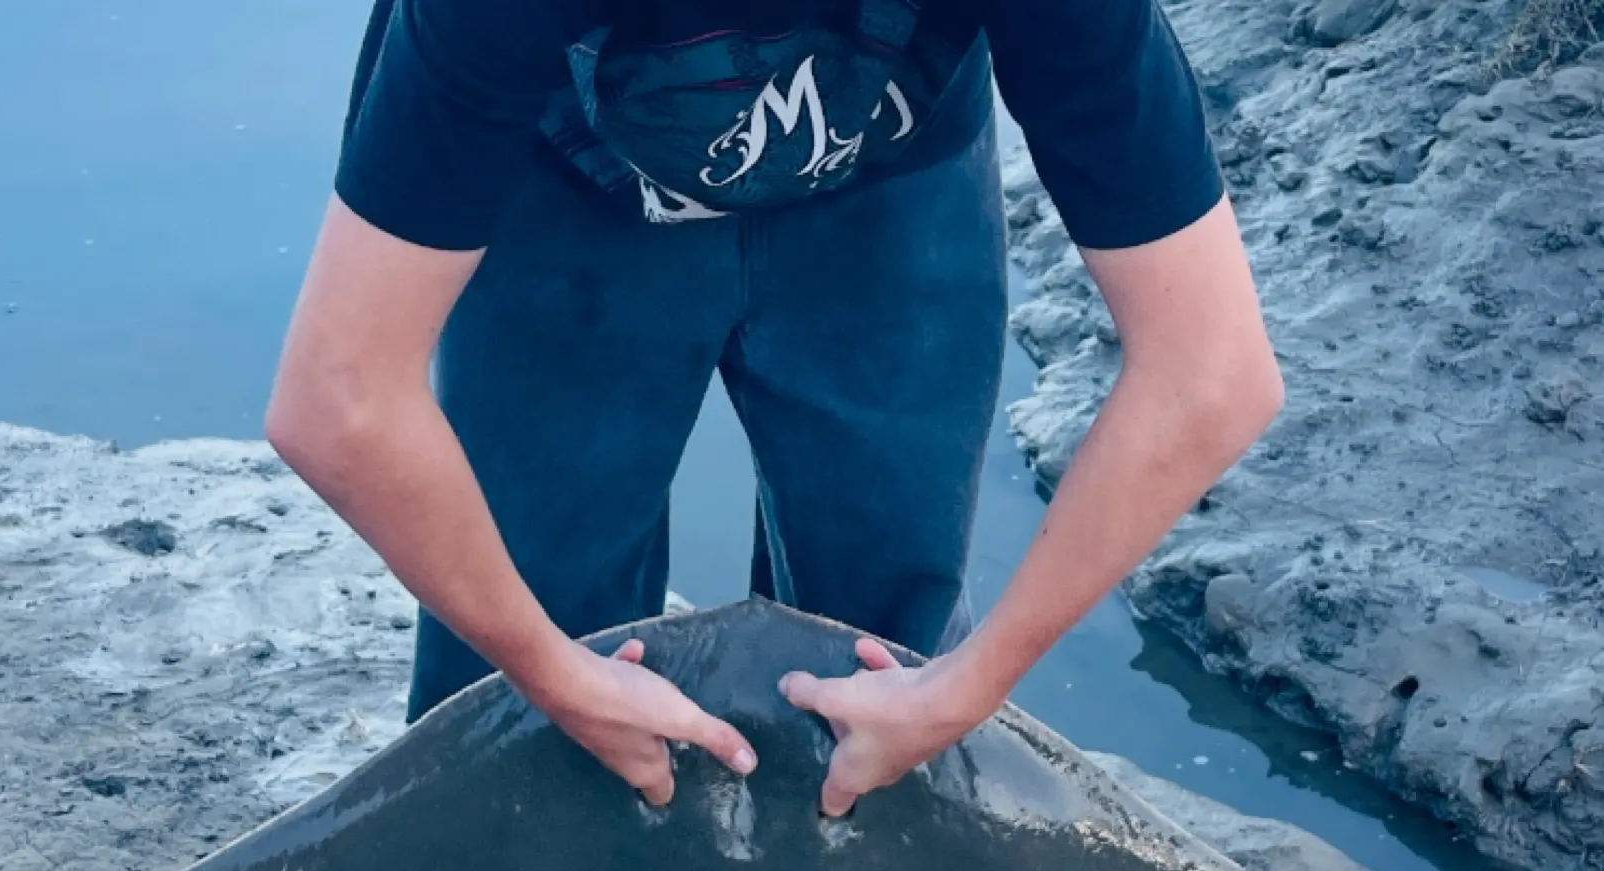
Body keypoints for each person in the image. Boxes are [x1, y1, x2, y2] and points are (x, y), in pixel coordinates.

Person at [265, 0, 1282, 820]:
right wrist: (546, 672)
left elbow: (1211, 374)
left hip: (888, 164)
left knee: (885, 645)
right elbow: (342, 398)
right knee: (525, 677)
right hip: (564, 172)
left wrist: (969, 686)